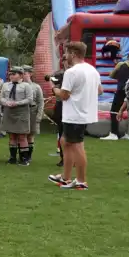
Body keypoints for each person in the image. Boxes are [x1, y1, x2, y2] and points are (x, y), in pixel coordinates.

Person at [49, 41, 100, 190]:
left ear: (73, 54)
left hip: (75, 114)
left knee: (77, 146)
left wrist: (54, 90)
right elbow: (100, 90)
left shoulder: (72, 72)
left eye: (66, 53)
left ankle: (81, 181)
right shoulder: (92, 70)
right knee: (66, 142)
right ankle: (65, 177)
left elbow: (64, 95)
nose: (64, 57)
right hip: (83, 112)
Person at [0, 68, 33, 166]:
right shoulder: (6, 85)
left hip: (21, 112)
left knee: (22, 136)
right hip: (9, 112)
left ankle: (24, 159)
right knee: (12, 136)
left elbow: (30, 99)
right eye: (10, 74)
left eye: (14, 74)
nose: (12, 76)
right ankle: (12, 158)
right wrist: (6, 103)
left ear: (21, 75)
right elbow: (1, 97)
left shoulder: (26, 86)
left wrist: (17, 103)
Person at [105, 53, 129, 140]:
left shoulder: (122, 65)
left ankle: (114, 133)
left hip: (121, 90)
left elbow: (112, 75)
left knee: (114, 111)